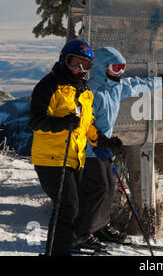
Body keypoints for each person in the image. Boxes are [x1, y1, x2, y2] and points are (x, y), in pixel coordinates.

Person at [73, 46, 163, 251]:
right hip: (88, 150)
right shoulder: (91, 91)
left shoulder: (116, 87)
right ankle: (81, 234)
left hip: (103, 148)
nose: (119, 72)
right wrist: (96, 144)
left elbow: (137, 84)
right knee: (98, 189)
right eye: (115, 67)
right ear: (103, 67)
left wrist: (160, 82)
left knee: (109, 188)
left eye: (122, 68)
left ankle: (99, 227)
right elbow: (82, 123)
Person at [29, 40, 121, 256]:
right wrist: (62, 123)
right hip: (51, 159)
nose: (79, 69)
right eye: (74, 63)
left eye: (84, 65)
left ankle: (58, 249)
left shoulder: (83, 90)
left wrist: (104, 142)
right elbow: (36, 120)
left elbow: (87, 124)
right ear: (64, 59)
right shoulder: (49, 86)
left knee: (69, 208)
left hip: (73, 159)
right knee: (68, 208)